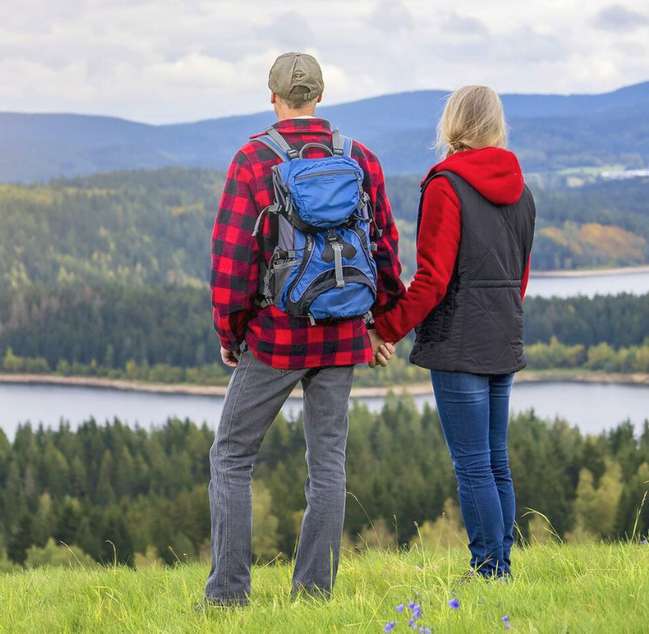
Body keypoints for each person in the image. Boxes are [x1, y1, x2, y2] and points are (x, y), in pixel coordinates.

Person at [205, 51, 404, 606]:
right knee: (327, 466)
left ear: (273, 97)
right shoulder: (359, 158)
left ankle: (227, 597)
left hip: (275, 337)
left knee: (232, 457)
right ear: (321, 95)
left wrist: (231, 334)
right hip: (342, 333)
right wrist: (382, 323)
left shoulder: (252, 160)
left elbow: (231, 264)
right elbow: (384, 247)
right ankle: (313, 596)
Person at [373, 85, 536, 579]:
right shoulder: (522, 189)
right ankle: (500, 565)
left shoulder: (446, 185)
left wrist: (387, 327)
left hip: (459, 344)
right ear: (496, 125)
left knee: (472, 466)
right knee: (495, 462)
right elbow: (520, 277)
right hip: (503, 338)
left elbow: (431, 280)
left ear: (453, 123)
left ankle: (489, 569)